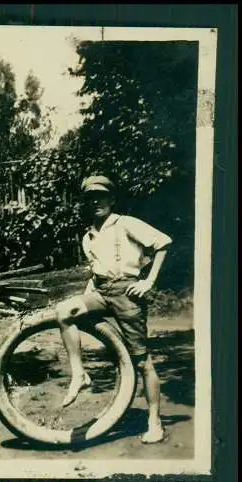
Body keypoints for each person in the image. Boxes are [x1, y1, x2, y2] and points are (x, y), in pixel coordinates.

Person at [56, 175, 172, 444]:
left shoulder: (125, 223)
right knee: (64, 311)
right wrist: (86, 301)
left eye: (101, 195)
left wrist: (148, 281)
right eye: (90, 197)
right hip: (100, 292)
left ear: (112, 199)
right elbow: (96, 274)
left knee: (141, 361)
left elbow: (163, 242)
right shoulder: (88, 236)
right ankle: (79, 374)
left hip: (127, 293)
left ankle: (155, 421)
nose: (95, 201)